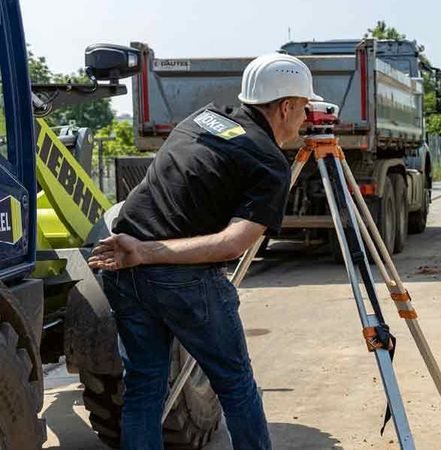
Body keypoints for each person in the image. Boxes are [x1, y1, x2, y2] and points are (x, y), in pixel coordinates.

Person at [87, 53, 322, 450]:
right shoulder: (269, 163)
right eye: (303, 107)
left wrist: (140, 250)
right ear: (285, 106)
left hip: (120, 262)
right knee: (235, 385)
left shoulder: (204, 117)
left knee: (144, 387)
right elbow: (233, 242)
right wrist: (146, 252)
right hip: (173, 274)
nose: (305, 118)